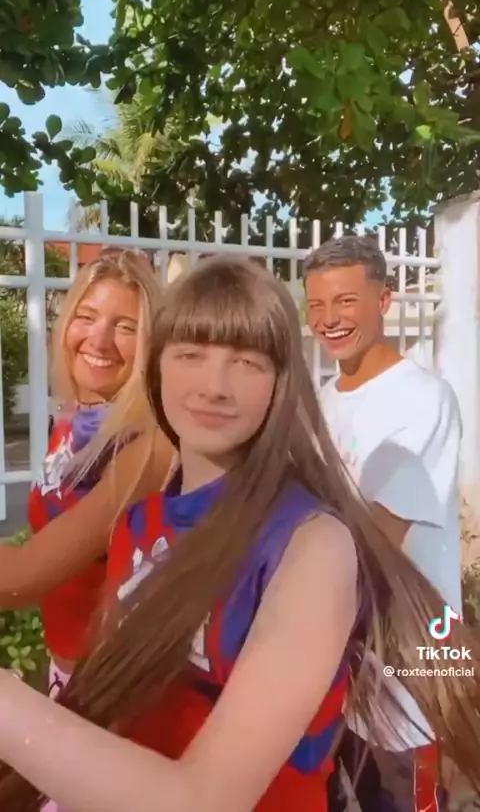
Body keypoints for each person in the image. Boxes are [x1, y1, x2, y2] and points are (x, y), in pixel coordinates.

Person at [0, 255, 477, 812]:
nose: (215, 386)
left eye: (247, 361)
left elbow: (205, 799)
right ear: (156, 368)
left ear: (281, 383)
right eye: (190, 354)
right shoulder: (138, 525)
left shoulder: (312, 546)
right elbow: (104, 706)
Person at [303, 235, 462, 812]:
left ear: (384, 300)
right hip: (342, 654)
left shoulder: (424, 398)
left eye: (345, 301)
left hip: (410, 658)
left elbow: (377, 536)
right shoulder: (323, 398)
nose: (329, 319)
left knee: (405, 796)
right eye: (316, 305)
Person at [0, 249, 173, 698]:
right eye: (87, 316)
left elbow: (23, 577)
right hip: (67, 666)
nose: (99, 339)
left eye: (126, 327)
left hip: (114, 689)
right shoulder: (77, 419)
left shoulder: (147, 445)